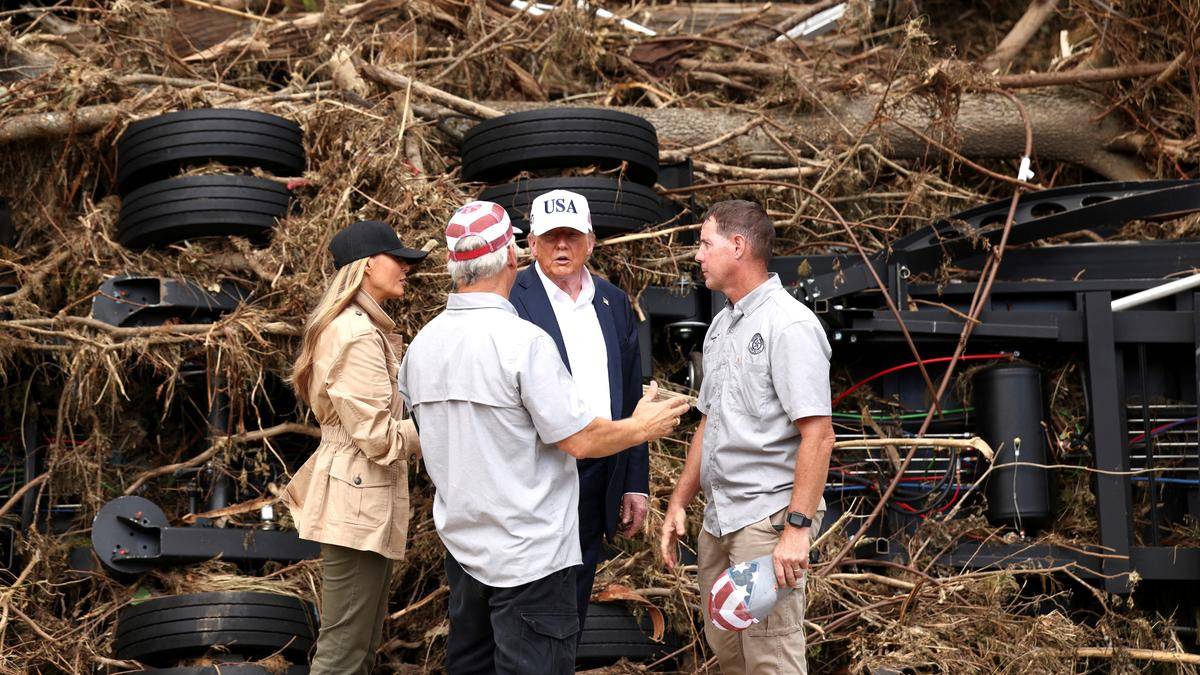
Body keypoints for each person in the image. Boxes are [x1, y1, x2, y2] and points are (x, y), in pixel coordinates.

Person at [398, 201, 689, 675]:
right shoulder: (523, 343)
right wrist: (643, 426)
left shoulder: (422, 346)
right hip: (531, 557)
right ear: (515, 256)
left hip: (466, 549)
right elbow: (578, 440)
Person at [659, 200, 834, 675]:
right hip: (721, 521)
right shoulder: (722, 325)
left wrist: (797, 530)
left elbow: (819, 435)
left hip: (767, 520)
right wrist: (679, 503)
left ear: (737, 246)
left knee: (770, 656)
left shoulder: (790, 325)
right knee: (729, 652)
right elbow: (710, 423)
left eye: (704, 243)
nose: (697, 255)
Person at [282, 219, 428, 675]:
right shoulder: (358, 334)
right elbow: (379, 438)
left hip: (359, 496)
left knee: (358, 647)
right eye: (397, 258)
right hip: (356, 500)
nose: (406, 267)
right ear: (366, 266)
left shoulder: (363, 328)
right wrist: (446, 428)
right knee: (344, 653)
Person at [508, 189, 649, 631]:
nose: (561, 247)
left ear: (590, 241)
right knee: (532, 609)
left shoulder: (613, 301)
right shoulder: (512, 298)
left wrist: (634, 483)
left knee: (576, 605)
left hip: (599, 473)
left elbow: (631, 399)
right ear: (532, 243)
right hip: (538, 473)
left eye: (571, 235)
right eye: (551, 237)